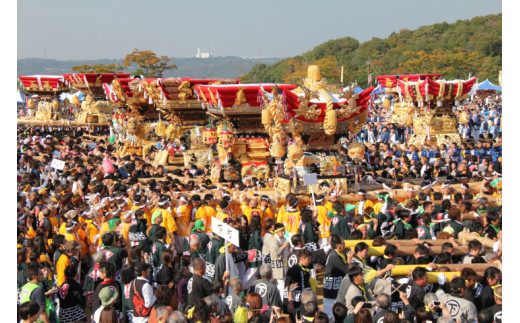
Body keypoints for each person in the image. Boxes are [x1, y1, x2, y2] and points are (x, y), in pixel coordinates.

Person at [323, 235, 352, 318]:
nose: (344, 245)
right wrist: (349, 259)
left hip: (334, 291)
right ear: (337, 245)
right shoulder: (334, 256)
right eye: (343, 243)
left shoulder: (336, 254)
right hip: (331, 293)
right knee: (330, 316)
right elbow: (347, 270)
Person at [284, 249, 313, 317]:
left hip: (303, 300)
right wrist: (290, 303)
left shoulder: (306, 267)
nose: (309, 261)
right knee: (297, 317)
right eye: (308, 259)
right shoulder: (294, 270)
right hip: (295, 302)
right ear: (301, 259)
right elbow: (289, 287)